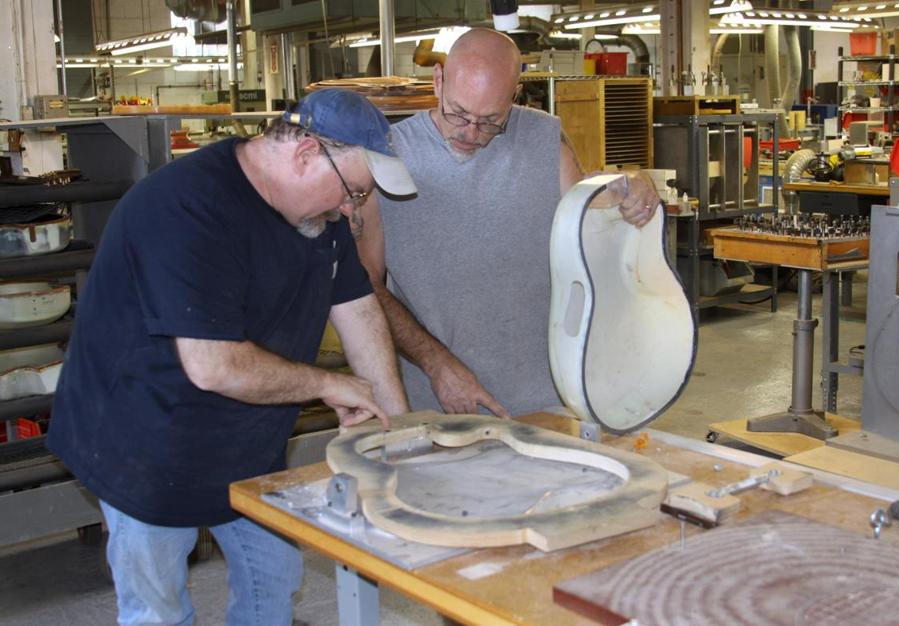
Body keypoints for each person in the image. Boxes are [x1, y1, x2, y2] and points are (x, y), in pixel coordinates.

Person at [46, 88, 416, 626]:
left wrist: (397, 433)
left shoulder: (321, 218)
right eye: (352, 194)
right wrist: (327, 385)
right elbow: (212, 365)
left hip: (247, 438)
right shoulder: (186, 206)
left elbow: (358, 309)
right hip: (144, 440)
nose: (348, 211)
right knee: (158, 609)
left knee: (274, 583)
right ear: (307, 154)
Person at [356, 28, 662, 418]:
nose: (470, 133)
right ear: (438, 81)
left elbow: (594, 211)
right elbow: (363, 283)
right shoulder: (387, 157)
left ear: (514, 97)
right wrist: (435, 363)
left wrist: (632, 185)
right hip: (438, 406)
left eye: (489, 122)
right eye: (458, 114)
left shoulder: (544, 139)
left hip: (548, 401)